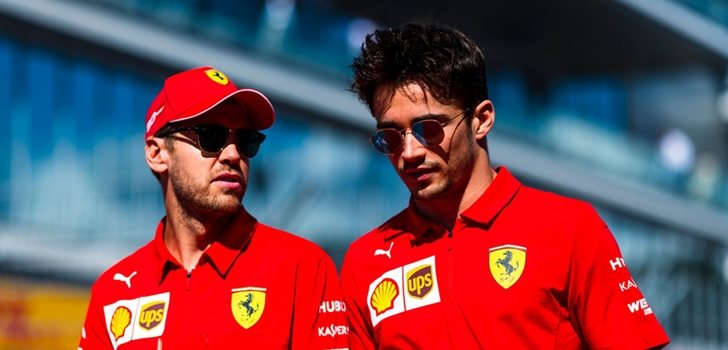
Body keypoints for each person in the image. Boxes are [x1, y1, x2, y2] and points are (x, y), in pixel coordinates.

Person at [341, 22, 670, 349]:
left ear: (481, 120)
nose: (409, 152)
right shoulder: (364, 261)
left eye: (429, 129)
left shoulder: (570, 228)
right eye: (391, 136)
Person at [78, 66, 348, 349]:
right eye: (211, 136)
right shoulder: (112, 292)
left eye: (245, 141)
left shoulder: (303, 268)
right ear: (157, 154)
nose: (233, 154)